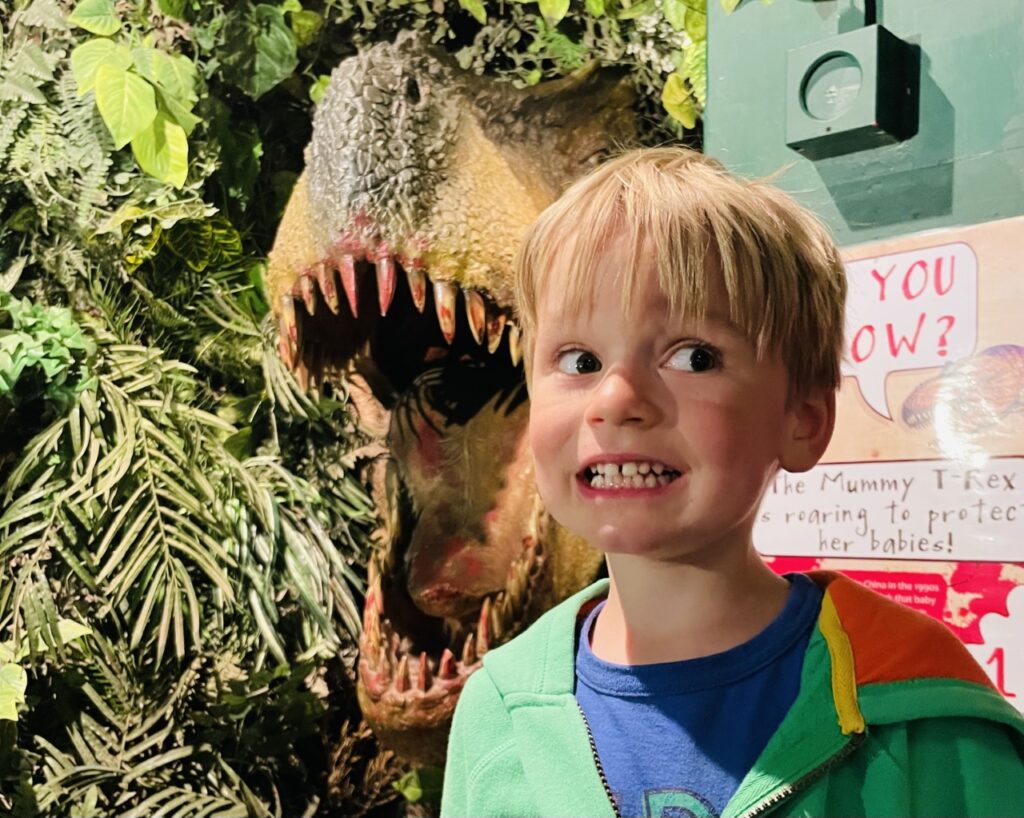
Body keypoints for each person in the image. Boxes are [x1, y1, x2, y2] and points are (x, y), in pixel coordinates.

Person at [439, 147, 1024, 818]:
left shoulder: (923, 714)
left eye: (694, 356)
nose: (618, 397)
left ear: (802, 420)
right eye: (580, 359)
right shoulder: (497, 717)